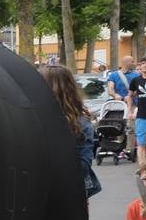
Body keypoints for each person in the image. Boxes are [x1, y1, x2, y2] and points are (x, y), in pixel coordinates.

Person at [39, 65, 100, 199]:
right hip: (72, 191)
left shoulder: (33, 120)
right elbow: (85, 162)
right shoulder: (81, 122)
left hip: (52, 191)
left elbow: (82, 165)